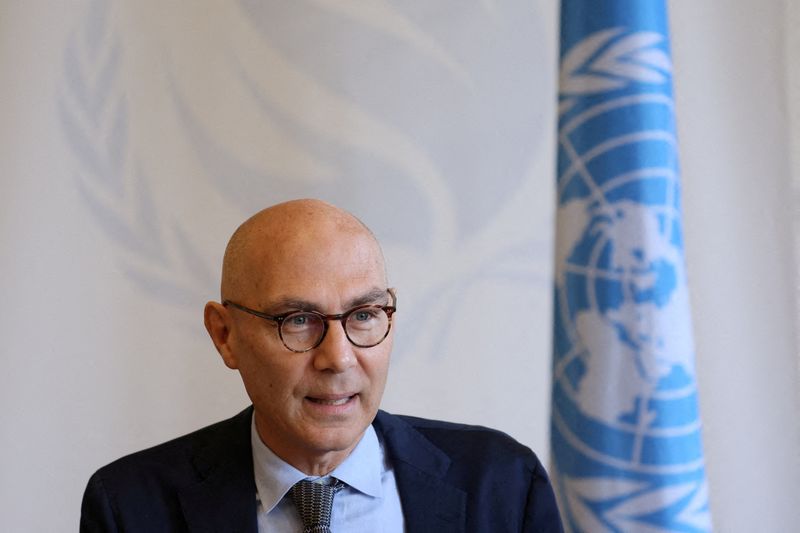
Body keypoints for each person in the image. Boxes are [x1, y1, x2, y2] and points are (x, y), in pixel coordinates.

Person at [80, 199, 563, 532]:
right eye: (298, 320)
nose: (338, 358)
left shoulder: (502, 484)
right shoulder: (131, 505)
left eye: (365, 315)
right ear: (225, 336)